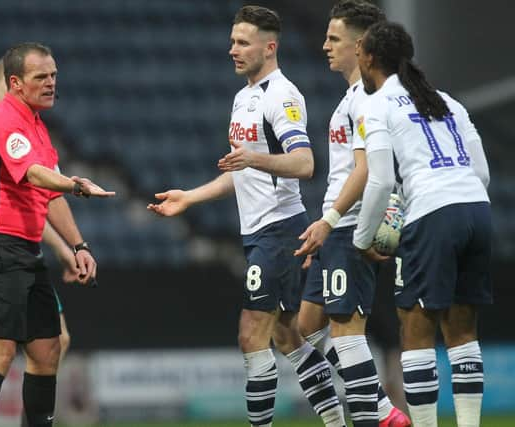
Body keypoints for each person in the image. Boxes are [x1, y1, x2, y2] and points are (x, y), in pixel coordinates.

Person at [149, 6, 346, 427]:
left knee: (250, 334)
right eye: (232, 41)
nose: (232, 50)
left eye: (242, 42)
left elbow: (304, 163)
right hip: (259, 232)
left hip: (279, 229)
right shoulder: (243, 98)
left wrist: (254, 158)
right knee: (289, 335)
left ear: (269, 47)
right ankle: (346, 417)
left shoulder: (283, 96)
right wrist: (190, 197)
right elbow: (241, 173)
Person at [0, 42, 115, 427]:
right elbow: (34, 174)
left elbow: (49, 194)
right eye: (41, 77)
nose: (50, 83)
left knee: (48, 349)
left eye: (54, 76)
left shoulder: (37, 127)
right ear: (15, 83)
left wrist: (78, 245)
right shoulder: (0, 120)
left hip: (26, 251)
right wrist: (74, 183)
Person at [353, 21, 491, 427]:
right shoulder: (447, 100)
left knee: (415, 330)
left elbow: (378, 181)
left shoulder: (375, 106)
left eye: (361, 52)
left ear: (370, 58)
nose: (357, 58)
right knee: (463, 332)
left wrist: (362, 239)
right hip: (476, 209)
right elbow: (480, 171)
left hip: (433, 212)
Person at [293, 2, 411, 426]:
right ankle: (381, 408)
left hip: (352, 225)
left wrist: (330, 222)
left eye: (334, 39)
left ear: (360, 44)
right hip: (337, 226)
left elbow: (368, 169)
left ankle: (374, 417)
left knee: (346, 333)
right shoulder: (353, 96)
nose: (325, 46)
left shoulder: (369, 97)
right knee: (303, 327)